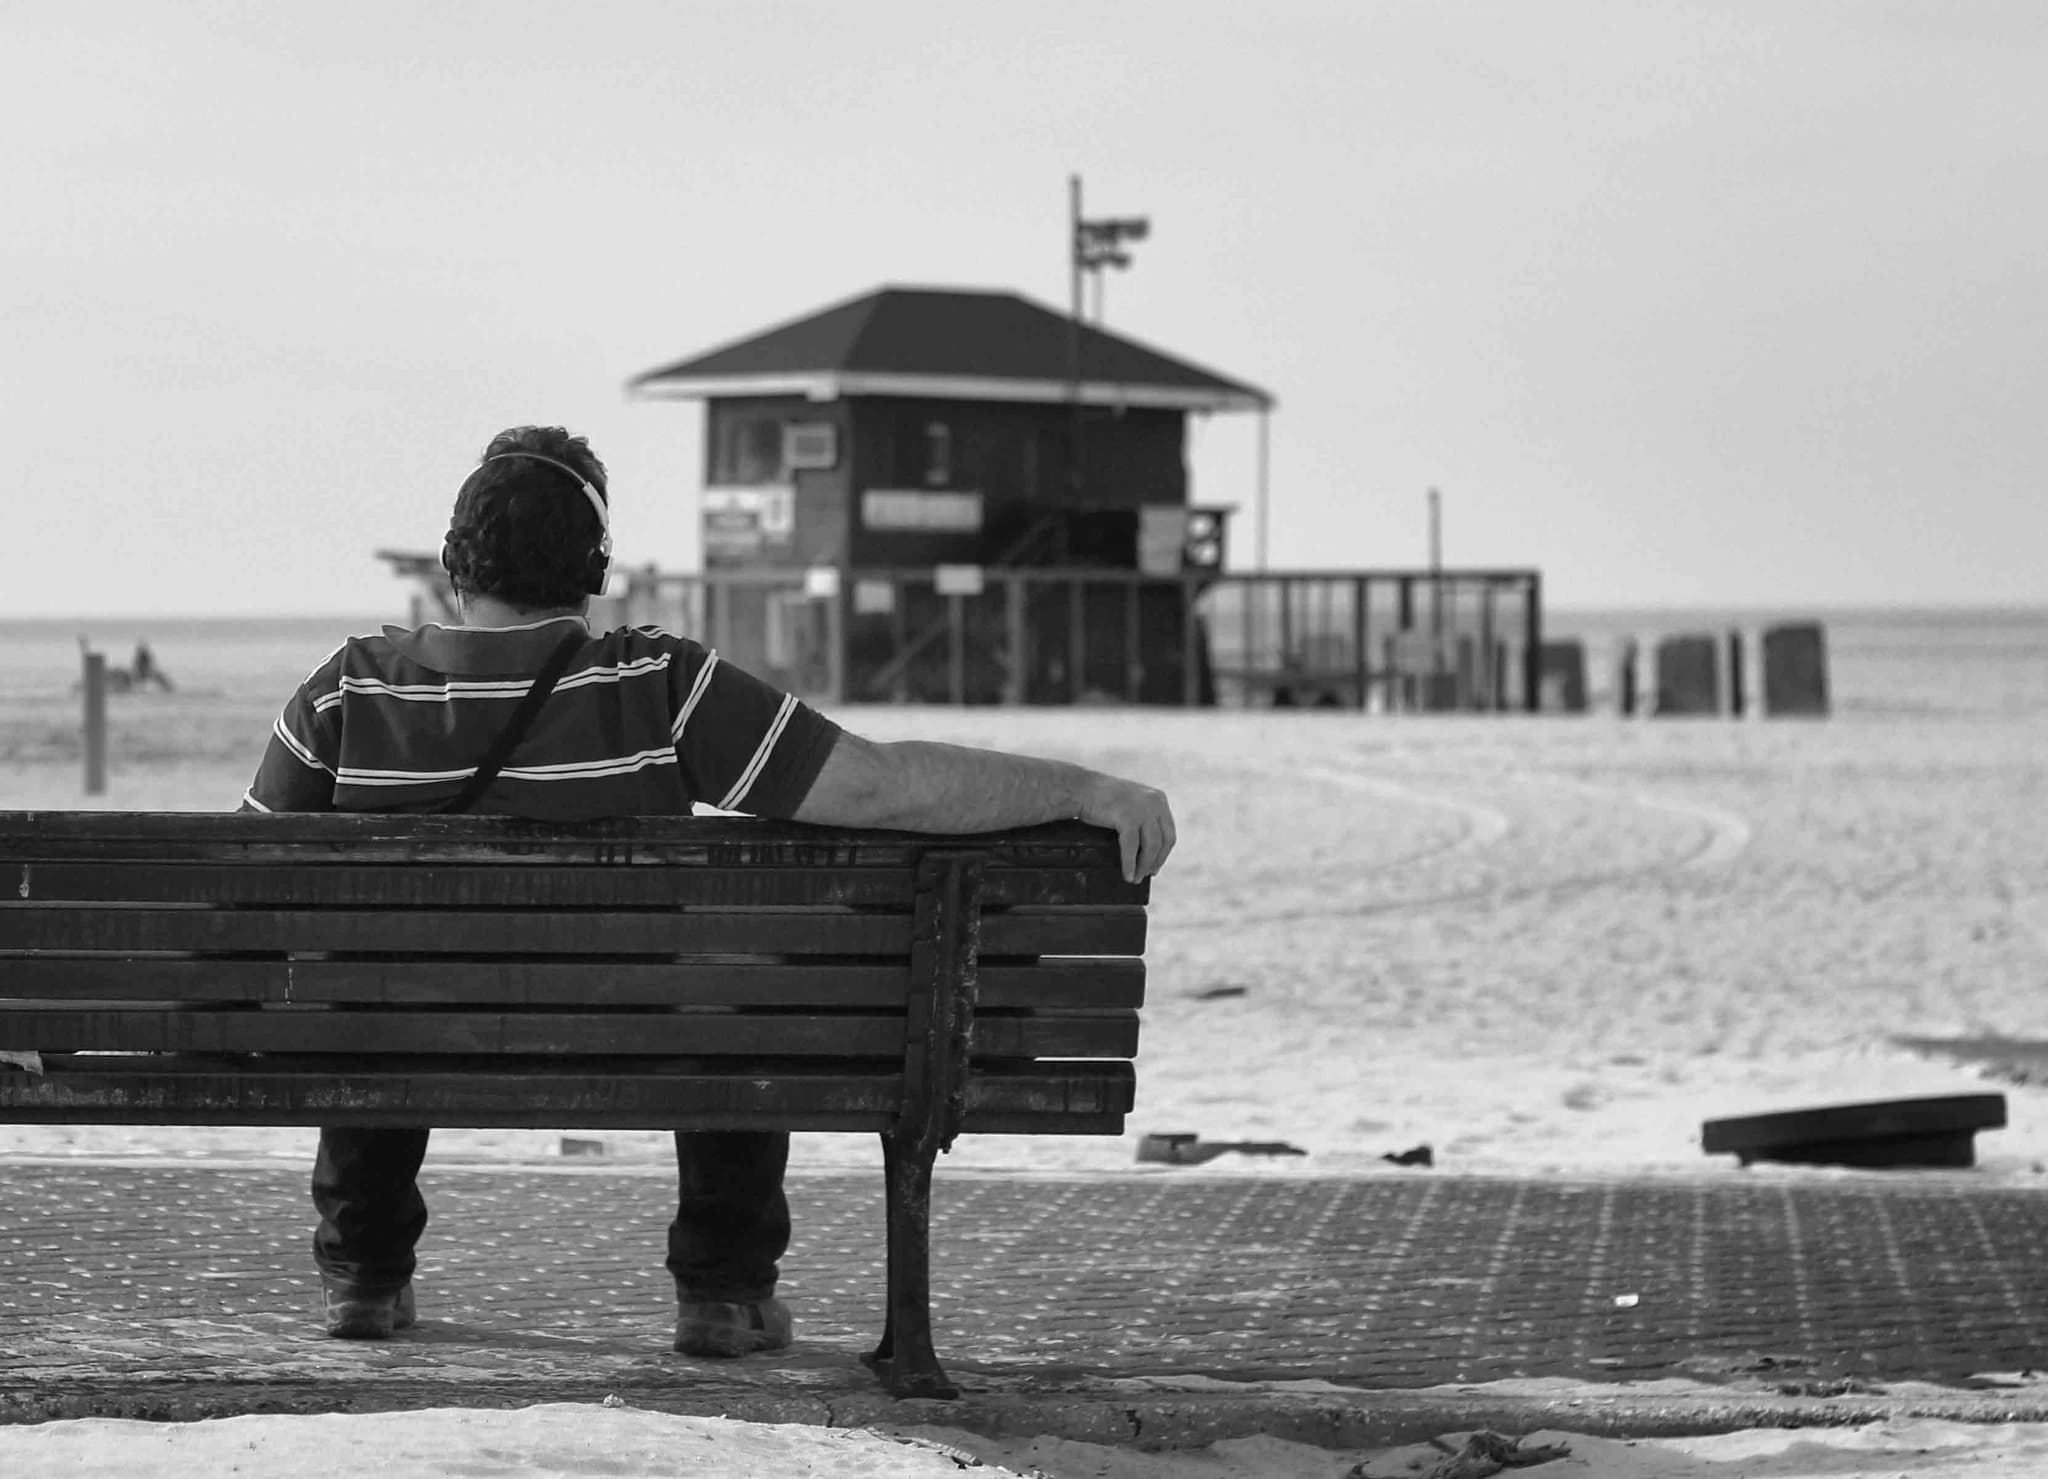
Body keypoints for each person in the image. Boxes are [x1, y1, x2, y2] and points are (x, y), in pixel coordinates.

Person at [240, 425, 1176, 1357]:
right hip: (641, 1041)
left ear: (454, 564)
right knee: (740, 1001)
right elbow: (883, 787)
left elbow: (239, 886)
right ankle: (723, 1289)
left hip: (401, 1038)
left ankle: (365, 1269)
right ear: (595, 569)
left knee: (378, 983)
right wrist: (1081, 790)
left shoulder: (346, 691)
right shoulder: (658, 684)